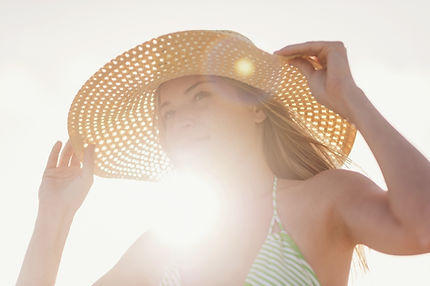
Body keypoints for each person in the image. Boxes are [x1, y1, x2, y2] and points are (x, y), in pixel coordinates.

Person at [16, 30, 430, 286]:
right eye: (169, 113)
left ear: (255, 107)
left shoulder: (325, 199)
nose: (182, 121)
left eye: (201, 97)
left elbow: (422, 226)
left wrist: (353, 102)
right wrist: (55, 215)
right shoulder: (160, 250)